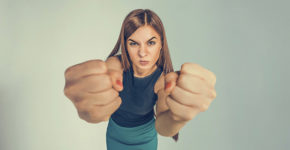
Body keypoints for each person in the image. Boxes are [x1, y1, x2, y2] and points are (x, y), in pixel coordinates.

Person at [64, 9, 217, 150]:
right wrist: (94, 85)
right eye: (133, 43)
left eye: (151, 43)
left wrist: (178, 118)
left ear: (161, 45)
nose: (142, 53)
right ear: (125, 45)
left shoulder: (162, 80)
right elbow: (109, 71)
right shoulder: (115, 64)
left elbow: (163, 126)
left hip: (145, 140)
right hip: (115, 136)